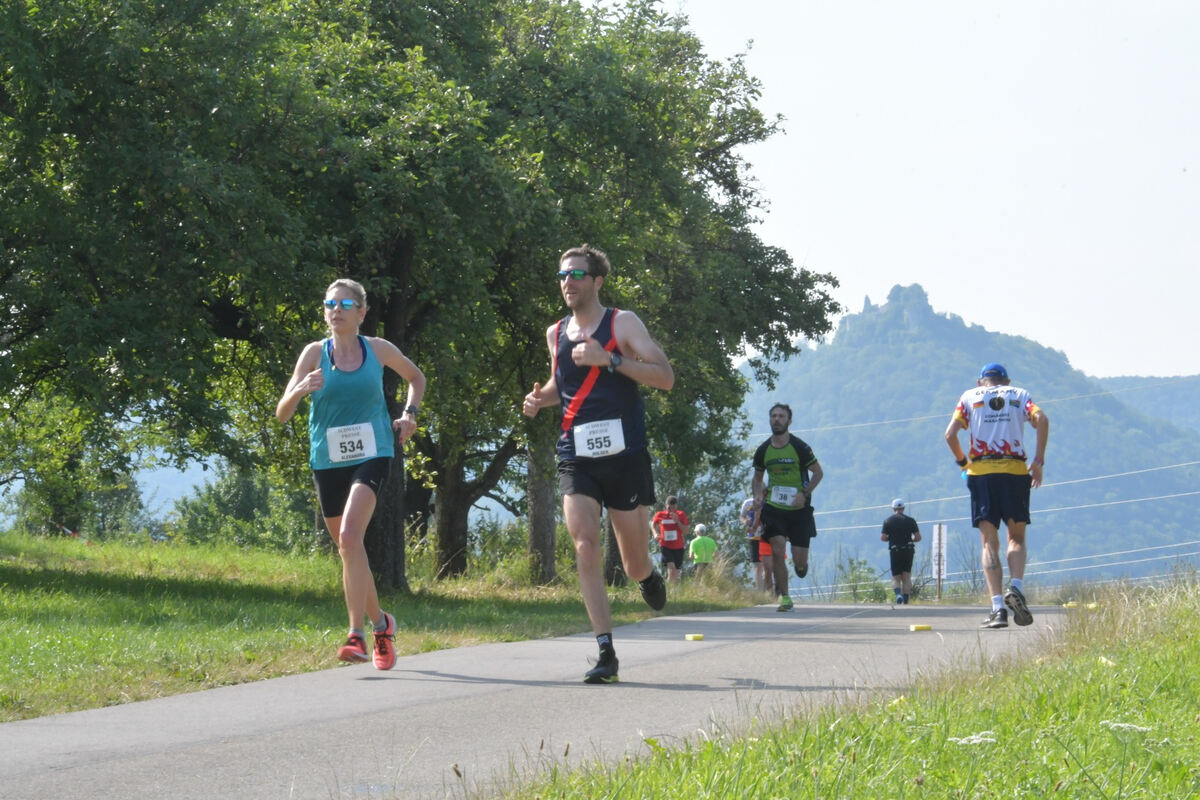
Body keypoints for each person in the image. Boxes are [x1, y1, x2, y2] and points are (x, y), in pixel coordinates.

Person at [522, 244, 674, 684]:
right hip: (575, 454)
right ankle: (606, 652)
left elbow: (664, 376)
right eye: (562, 275)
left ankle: (647, 577)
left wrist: (611, 359)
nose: (568, 282)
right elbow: (562, 385)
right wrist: (540, 399)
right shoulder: (555, 334)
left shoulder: (621, 323)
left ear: (597, 281)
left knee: (632, 563)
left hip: (624, 456)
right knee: (585, 543)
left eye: (577, 275)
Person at [275, 278, 426, 669]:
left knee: (348, 536)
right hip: (327, 460)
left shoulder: (377, 349)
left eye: (345, 303)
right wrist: (300, 390)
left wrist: (409, 414)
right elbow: (282, 413)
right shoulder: (313, 354)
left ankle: (355, 635)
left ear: (361, 311)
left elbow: (416, 377)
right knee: (349, 550)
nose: (336, 310)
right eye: (330, 303)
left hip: (372, 452)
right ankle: (383, 623)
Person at [944, 362, 1049, 629]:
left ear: (981, 382)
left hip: (982, 474)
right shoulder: (1020, 394)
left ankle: (997, 609)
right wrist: (1037, 461)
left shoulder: (969, 397)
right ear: (1007, 380)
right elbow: (1042, 419)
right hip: (1015, 472)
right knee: (1016, 538)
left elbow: (950, 435)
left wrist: (963, 465)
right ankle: (1015, 587)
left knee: (989, 543)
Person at [749, 403, 823, 612]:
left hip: (799, 510)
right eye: (773, 416)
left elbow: (818, 473)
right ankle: (786, 597)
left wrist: (805, 494)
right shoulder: (763, 450)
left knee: (799, 561)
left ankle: (801, 567)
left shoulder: (800, 447)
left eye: (781, 416)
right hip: (774, 507)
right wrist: (757, 495)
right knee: (777, 549)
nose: (777, 419)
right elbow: (757, 478)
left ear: (789, 421)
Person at [881, 499, 921, 605]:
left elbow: (883, 537)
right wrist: (910, 539)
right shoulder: (911, 520)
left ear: (893, 508)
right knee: (906, 576)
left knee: (896, 577)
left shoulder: (888, 521)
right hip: (908, 550)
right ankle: (906, 601)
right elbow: (918, 537)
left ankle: (898, 594)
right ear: (903, 508)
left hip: (895, 550)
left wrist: (892, 538)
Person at [651, 496, 690, 583]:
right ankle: (667, 591)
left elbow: (686, 531)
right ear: (666, 505)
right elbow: (653, 525)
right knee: (671, 568)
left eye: (674, 508)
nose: (671, 510)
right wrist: (655, 533)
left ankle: (671, 591)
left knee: (675, 573)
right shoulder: (660, 514)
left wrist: (677, 522)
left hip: (679, 547)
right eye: (669, 508)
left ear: (676, 506)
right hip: (665, 546)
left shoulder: (681, 514)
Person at [739, 497, 773, 594]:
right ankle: (760, 594)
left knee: (767, 566)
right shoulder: (747, 502)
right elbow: (741, 516)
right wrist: (745, 521)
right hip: (753, 537)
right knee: (758, 566)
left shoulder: (768, 501)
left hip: (766, 536)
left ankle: (770, 592)